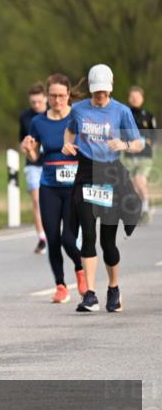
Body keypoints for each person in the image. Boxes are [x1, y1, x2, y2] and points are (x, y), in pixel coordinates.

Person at [62, 64, 142, 313]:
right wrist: (67, 145)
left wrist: (124, 144)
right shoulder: (78, 109)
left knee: (108, 242)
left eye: (104, 92)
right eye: (96, 92)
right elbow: (69, 131)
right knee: (88, 234)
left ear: (111, 88)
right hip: (86, 172)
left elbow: (139, 143)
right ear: (91, 89)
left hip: (109, 173)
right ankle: (90, 294)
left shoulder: (121, 111)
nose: (100, 97)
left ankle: (114, 288)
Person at [21, 74, 87, 303]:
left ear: (69, 95)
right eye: (53, 96)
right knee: (52, 238)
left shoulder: (78, 119)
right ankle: (60, 285)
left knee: (69, 239)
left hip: (74, 188)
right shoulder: (38, 122)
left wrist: (78, 150)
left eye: (61, 96)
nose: (57, 100)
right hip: (49, 185)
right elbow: (36, 155)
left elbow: (93, 149)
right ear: (47, 96)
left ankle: (80, 271)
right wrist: (28, 150)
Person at [19, 84, 49, 254]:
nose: (36, 105)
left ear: (45, 98)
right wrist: (26, 148)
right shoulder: (25, 117)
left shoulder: (53, 114)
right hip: (33, 165)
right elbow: (21, 139)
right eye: (32, 102)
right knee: (37, 202)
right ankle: (42, 238)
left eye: (38, 101)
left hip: (52, 163)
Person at [121, 86, 156, 220]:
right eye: (132, 97)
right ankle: (138, 210)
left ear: (142, 98)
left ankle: (146, 208)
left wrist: (145, 141)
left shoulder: (148, 116)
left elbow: (154, 136)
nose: (135, 99)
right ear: (129, 98)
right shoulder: (125, 114)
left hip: (145, 155)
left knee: (139, 180)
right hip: (129, 155)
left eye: (137, 97)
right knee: (133, 185)